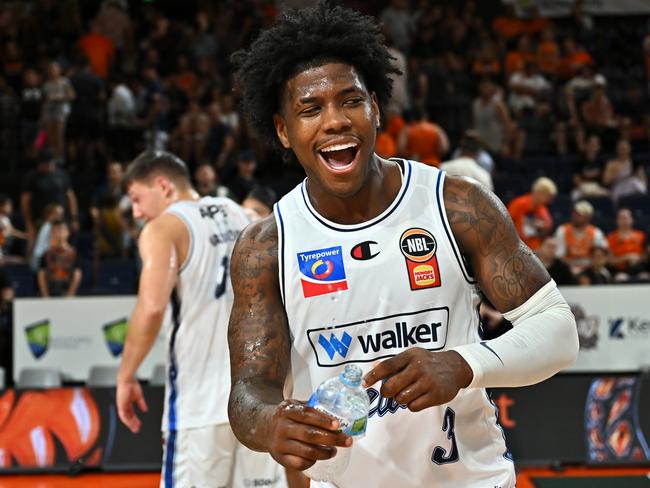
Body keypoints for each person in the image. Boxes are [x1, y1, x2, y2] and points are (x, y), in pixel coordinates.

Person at [228, 4, 578, 488]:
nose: (334, 122)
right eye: (310, 109)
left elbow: (559, 330)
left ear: (375, 105)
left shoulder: (456, 204)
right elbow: (249, 391)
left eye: (350, 100)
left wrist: (462, 363)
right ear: (284, 131)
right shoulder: (266, 246)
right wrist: (269, 423)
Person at [116, 151, 283, 488]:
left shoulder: (163, 228)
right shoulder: (244, 214)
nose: (136, 212)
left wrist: (126, 376)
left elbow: (151, 308)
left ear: (162, 186)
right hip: (259, 401)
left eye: (136, 198)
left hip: (200, 405)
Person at [554, 200, 608, 276]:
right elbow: (559, 255)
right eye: (575, 213)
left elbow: (601, 255)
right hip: (568, 270)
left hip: (590, 270)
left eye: (579, 215)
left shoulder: (596, 233)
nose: (575, 216)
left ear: (588, 217)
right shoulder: (562, 230)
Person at [507, 177, 557, 251]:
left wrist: (542, 227)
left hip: (533, 249)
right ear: (540, 193)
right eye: (548, 197)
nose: (549, 201)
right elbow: (506, 223)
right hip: (516, 245)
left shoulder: (542, 209)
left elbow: (548, 227)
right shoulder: (519, 203)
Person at [36, 220, 82, 297]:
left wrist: (70, 294)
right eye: (55, 231)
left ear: (67, 232)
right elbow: (41, 274)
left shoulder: (74, 253)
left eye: (61, 230)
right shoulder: (46, 254)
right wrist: (45, 295)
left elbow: (77, 274)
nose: (58, 234)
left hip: (67, 294)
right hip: (49, 294)